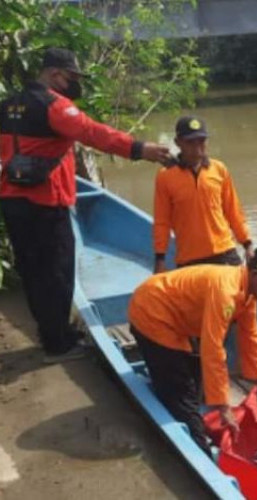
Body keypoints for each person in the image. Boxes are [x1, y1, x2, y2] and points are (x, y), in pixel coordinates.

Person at [0, 47, 171, 364]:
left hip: (12, 200)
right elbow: (94, 134)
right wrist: (139, 148)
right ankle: (58, 345)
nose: (76, 83)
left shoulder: (8, 105)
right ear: (54, 75)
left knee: (33, 270)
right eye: (72, 77)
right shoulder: (55, 106)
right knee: (59, 271)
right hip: (45, 202)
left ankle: (52, 333)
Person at [127, 247, 257, 457]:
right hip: (152, 312)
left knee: (195, 382)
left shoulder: (248, 292)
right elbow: (212, 349)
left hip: (179, 318)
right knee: (182, 397)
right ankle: (201, 453)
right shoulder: (226, 292)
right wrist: (224, 407)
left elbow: (251, 338)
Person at [153, 116, 253, 273]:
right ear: (178, 142)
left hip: (224, 252)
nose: (197, 148)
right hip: (190, 259)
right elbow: (162, 221)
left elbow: (233, 211)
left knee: (240, 295)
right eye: (190, 143)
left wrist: (247, 244)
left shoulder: (219, 169)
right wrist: (160, 259)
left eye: (201, 141)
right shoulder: (165, 177)